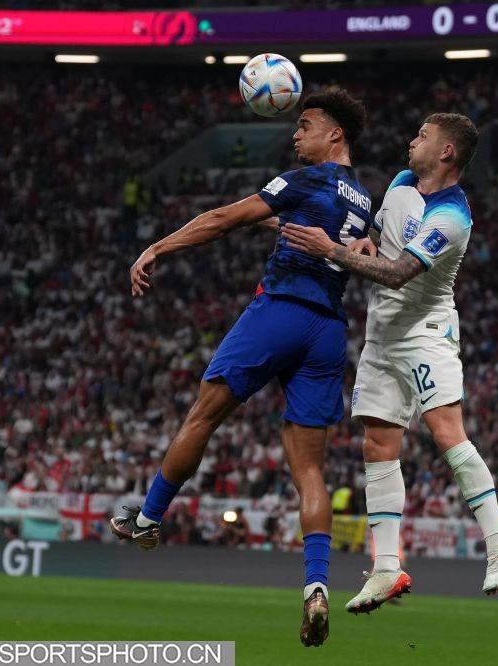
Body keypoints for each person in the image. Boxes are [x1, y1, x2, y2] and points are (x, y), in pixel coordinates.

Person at [110, 88, 370, 648]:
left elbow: (224, 217)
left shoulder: (305, 180)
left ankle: (148, 519)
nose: (295, 135)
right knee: (310, 470)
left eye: (305, 125)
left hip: (279, 311)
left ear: (335, 135)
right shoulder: (361, 200)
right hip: (328, 331)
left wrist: (157, 248)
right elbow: (306, 230)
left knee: (203, 416)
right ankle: (317, 586)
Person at [281, 113, 498, 614]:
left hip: (425, 334)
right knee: (377, 444)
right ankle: (387, 568)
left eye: (422, 136)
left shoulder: (452, 217)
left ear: (447, 151)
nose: (411, 141)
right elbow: (378, 235)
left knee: (447, 433)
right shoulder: (401, 181)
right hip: (382, 335)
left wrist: (332, 250)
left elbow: (396, 273)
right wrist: (364, 239)